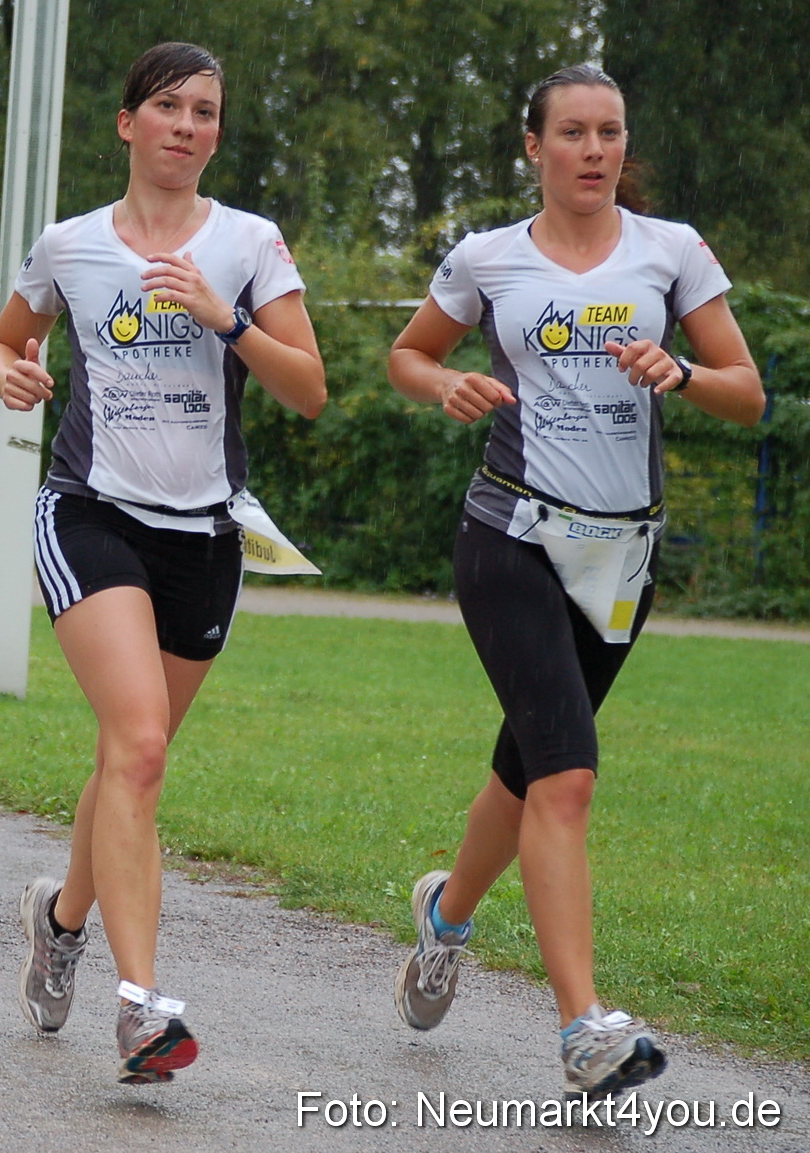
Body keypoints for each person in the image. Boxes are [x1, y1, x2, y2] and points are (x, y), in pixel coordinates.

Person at [386, 65, 763, 1099]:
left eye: (610, 133)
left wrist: (681, 372)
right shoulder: (489, 258)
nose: (596, 150)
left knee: (528, 766)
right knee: (568, 776)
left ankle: (444, 915)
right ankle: (582, 1027)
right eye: (574, 133)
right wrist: (446, 379)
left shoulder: (672, 253)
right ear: (534, 147)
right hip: (510, 533)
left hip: (622, 557)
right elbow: (408, 355)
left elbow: (747, 395)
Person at [0, 42, 326, 1084]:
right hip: (90, 513)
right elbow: (2, 341)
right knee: (136, 748)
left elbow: (309, 387)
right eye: (169, 106)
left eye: (206, 111)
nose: (187, 124)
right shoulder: (72, 245)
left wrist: (226, 322)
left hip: (205, 535)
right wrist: (8, 374)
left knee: (128, 762)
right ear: (127, 123)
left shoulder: (250, 244)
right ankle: (142, 1006)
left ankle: (59, 919)